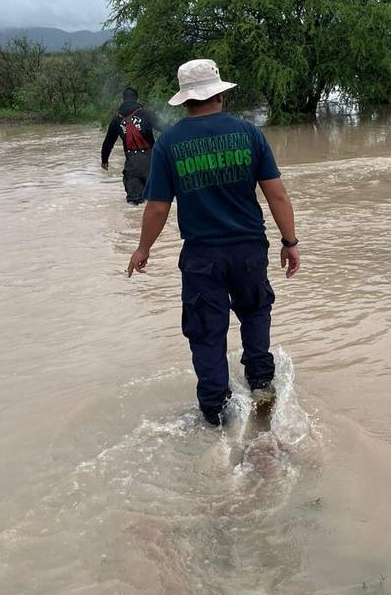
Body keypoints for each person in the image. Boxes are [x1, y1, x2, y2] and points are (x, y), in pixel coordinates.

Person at [127, 58, 300, 426]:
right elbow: (277, 195)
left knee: (206, 330)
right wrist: (290, 241)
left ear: (185, 100)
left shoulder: (169, 143)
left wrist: (143, 249)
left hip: (202, 256)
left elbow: (157, 208)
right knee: (255, 313)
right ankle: (262, 386)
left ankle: (215, 413)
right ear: (219, 93)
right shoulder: (249, 133)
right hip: (250, 249)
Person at [101, 86, 166, 204]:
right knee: (156, 200)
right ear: (137, 98)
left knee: (134, 205)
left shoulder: (117, 120)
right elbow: (165, 128)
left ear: (123, 99)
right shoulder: (146, 114)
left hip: (132, 165)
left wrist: (104, 160)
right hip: (151, 162)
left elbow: (108, 143)